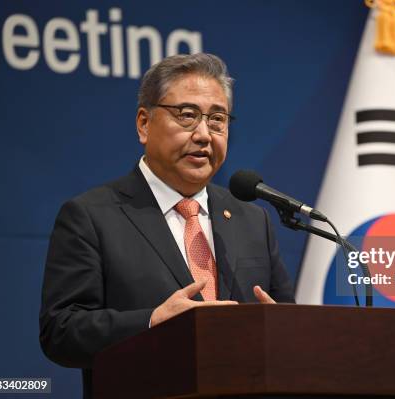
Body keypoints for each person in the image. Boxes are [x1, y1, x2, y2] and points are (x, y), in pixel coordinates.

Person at [39, 53, 295, 399]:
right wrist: (152, 322)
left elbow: (288, 322)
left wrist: (278, 331)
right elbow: (61, 332)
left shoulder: (253, 219)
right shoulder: (91, 216)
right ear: (144, 124)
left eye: (217, 119)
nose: (204, 134)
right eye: (187, 116)